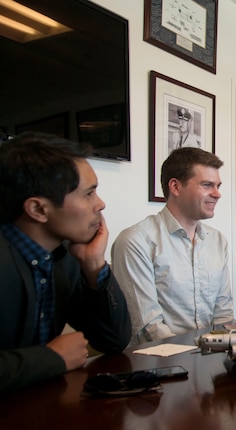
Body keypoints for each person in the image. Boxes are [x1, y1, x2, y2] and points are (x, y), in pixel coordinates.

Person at [0, 132, 131, 393]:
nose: (101, 204)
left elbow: (114, 341)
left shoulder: (65, 259)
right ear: (38, 209)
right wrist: (53, 359)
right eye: (89, 194)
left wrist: (94, 265)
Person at [112, 147, 233, 347]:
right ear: (175, 187)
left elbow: (223, 315)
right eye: (207, 185)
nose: (217, 194)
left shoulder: (218, 241)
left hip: (210, 358)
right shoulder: (135, 241)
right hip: (159, 363)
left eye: (218, 185)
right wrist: (199, 353)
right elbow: (149, 329)